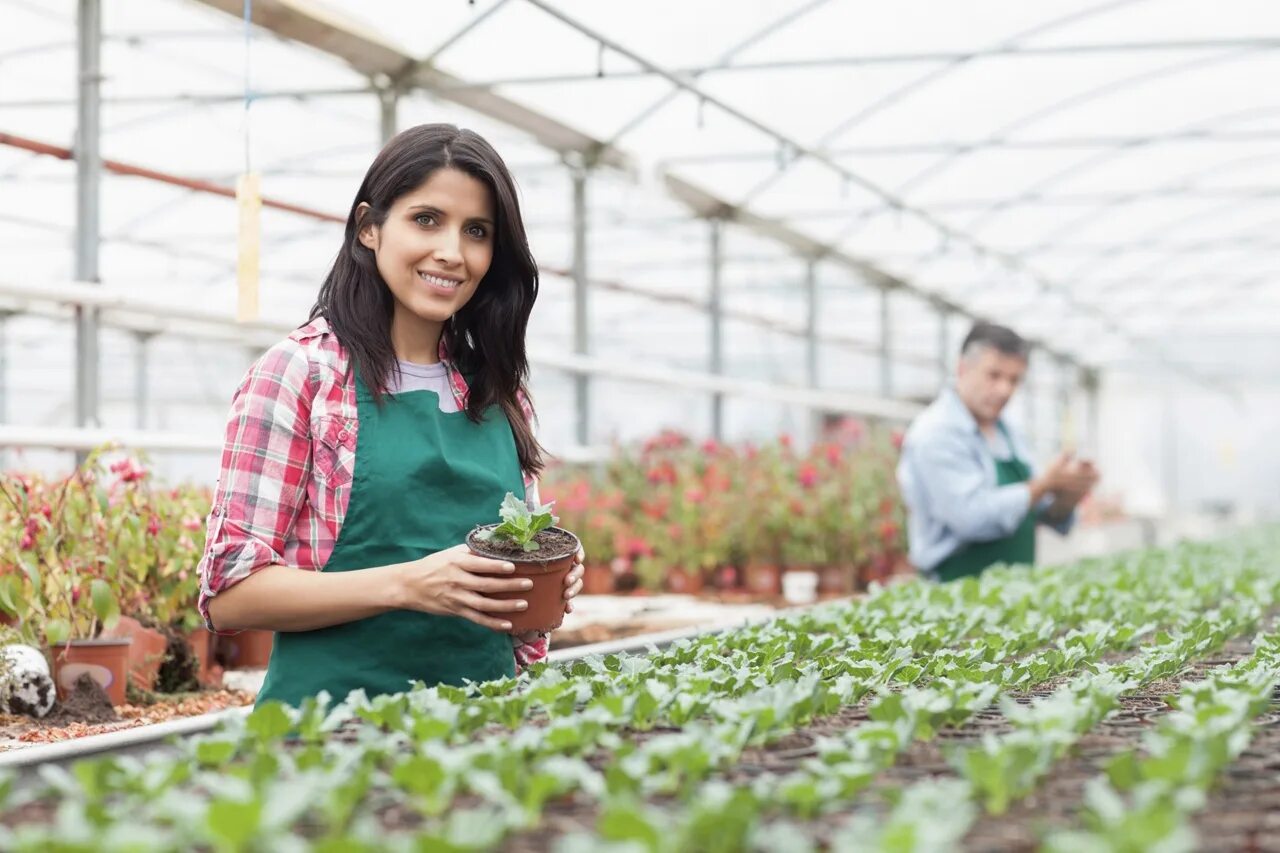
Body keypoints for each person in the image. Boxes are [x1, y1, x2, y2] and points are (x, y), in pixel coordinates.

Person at [196, 124, 584, 708]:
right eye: (426, 219)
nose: (452, 252)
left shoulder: (501, 395)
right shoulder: (302, 374)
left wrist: (546, 589)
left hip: (486, 739)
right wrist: (410, 584)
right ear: (369, 227)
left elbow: (518, 623)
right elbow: (230, 593)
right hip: (328, 736)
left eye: (476, 231)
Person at [897, 322, 1099, 582]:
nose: (1005, 390)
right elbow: (970, 518)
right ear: (962, 369)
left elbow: (1044, 512)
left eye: (1014, 380)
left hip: (1017, 590)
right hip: (953, 595)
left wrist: (1069, 493)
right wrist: (1044, 485)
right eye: (994, 375)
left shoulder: (1009, 432)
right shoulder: (936, 433)